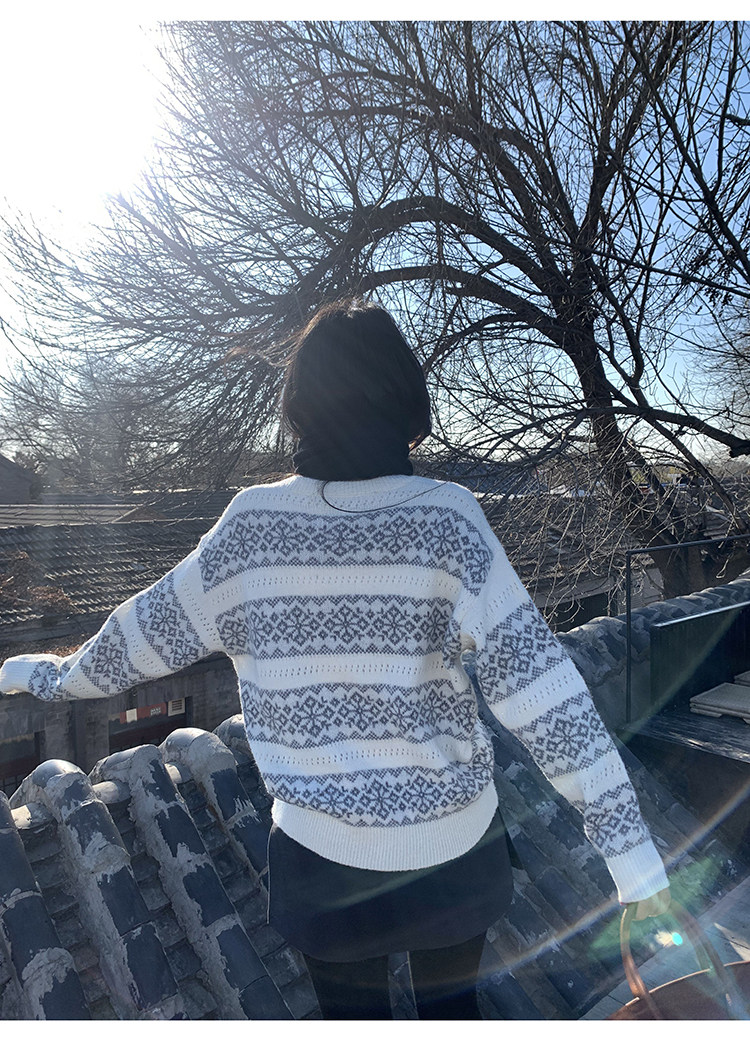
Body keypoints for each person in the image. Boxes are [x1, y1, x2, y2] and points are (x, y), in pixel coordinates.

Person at [0, 299, 669, 1020]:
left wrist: (42, 677)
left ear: (301, 408)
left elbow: (138, 638)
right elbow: (542, 692)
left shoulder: (252, 527)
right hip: (454, 854)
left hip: (323, 868)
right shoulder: (446, 517)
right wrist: (631, 856)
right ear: (408, 404)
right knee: (458, 1015)